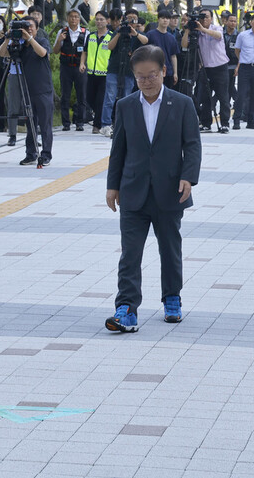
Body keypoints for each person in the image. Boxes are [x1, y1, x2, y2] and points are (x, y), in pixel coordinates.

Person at [104, 45, 202, 333]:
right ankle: (126, 309)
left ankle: (172, 299)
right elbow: (118, 149)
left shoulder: (182, 103)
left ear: (164, 72)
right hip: (133, 191)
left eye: (152, 75)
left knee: (170, 248)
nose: (146, 82)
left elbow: (192, 144)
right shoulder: (125, 105)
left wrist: (189, 177)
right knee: (130, 254)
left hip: (170, 190)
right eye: (140, 77)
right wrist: (112, 186)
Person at [0, 18, 55, 166]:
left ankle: (46, 154)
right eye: (25, 27)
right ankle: (31, 153)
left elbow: (42, 53)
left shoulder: (41, 41)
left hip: (43, 89)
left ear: (36, 29)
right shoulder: (20, 46)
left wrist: (29, 38)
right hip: (27, 89)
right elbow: (2, 53)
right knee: (30, 123)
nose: (28, 29)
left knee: (45, 124)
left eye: (31, 27)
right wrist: (7, 39)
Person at [101, 9, 148, 138]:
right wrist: (119, 33)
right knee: (110, 97)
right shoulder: (117, 32)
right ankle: (105, 125)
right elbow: (109, 46)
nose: (131, 21)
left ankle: (124, 123)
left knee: (126, 97)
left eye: (134, 19)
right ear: (124, 19)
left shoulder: (137, 34)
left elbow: (145, 41)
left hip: (129, 71)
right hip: (114, 69)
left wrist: (135, 33)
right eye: (129, 18)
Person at [185, 10, 230, 133]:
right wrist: (188, 30)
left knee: (223, 96)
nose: (204, 20)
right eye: (202, 17)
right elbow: (185, 45)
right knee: (204, 97)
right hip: (205, 69)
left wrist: (202, 30)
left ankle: (225, 123)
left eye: (207, 17)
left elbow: (218, 36)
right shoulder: (196, 32)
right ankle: (206, 123)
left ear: (211, 18)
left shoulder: (217, 28)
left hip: (220, 67)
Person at [53, 9, 89, 132]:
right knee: (65, 96)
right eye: (71, 17)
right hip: (66, 67)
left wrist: (82, 63)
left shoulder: (85, 33)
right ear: (67, 19)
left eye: (76, 17)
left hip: (80, 67)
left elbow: (86, 51)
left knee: (81, 96)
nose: (73, 19)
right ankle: (66, 123)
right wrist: (59, 40)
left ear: (79, 19)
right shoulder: (62, 32)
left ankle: (80, 122)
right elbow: (56, 50)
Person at [82, 11, 112, 135]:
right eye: (97, 19)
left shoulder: (111, 36)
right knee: (89, 98)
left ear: (107, 21)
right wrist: (82, 63)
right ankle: (98, 117)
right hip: (91, 73)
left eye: (102, 19)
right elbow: (85, 51)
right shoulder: (91, 36)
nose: (99, 22)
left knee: (101, 100)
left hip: (105, 74)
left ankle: (97, 124)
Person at [146, 12, 178, 89]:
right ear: (158, 19)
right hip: (153, 70)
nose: (165, 20)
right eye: (163, 18)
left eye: (167, 18)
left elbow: (173, 56)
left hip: (168, 72)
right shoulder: (150, 34)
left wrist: (175, 73)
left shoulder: (172, 38)